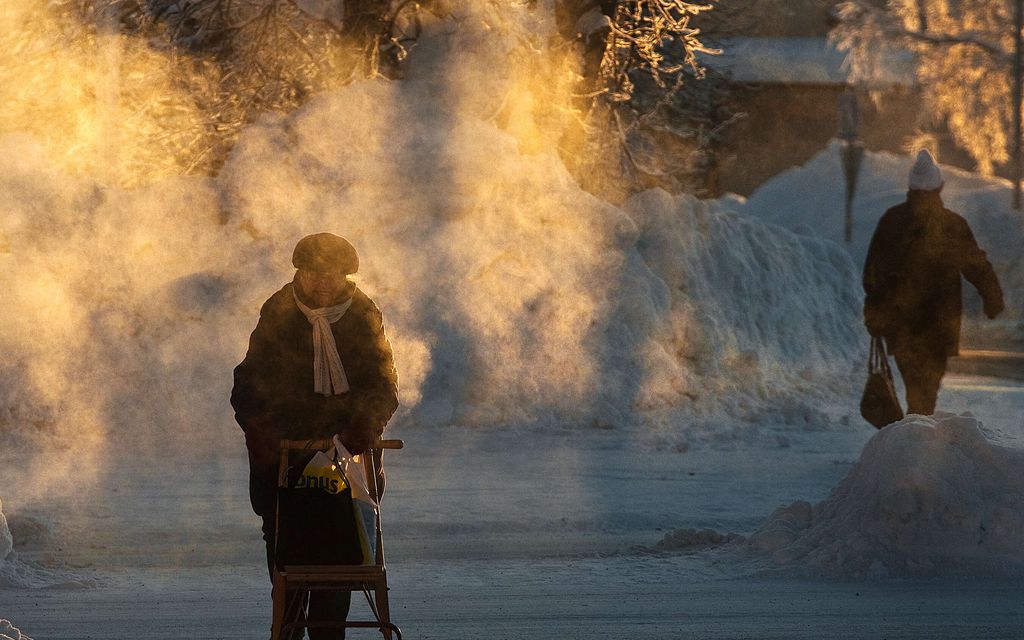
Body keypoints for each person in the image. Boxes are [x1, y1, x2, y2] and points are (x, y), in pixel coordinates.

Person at [231, 232, 399, 639]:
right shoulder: (279, 312)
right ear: (299, 274)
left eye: (331, 276)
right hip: (286, 460)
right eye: (313, 275)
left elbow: (382, 382)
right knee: (287, 564)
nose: (322, 284)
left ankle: (327, 633)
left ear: (345, 277)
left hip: (344, 456)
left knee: (336, 563)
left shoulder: (361, 314)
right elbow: (248, 385)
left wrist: (364, 425)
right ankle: (287, 627)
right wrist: (266, 431)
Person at [863, 149, 1004, 415]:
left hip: (901, 323)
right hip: (940, 325)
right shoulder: (952, 224)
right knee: (927, 391)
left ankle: (915, 431)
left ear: (910, 187)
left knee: (915, 387)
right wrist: (992, 297)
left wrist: (875, 313)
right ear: (940, 187)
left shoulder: (891, 222)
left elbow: (872, 274)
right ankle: (918, 434)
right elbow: (976, 264)